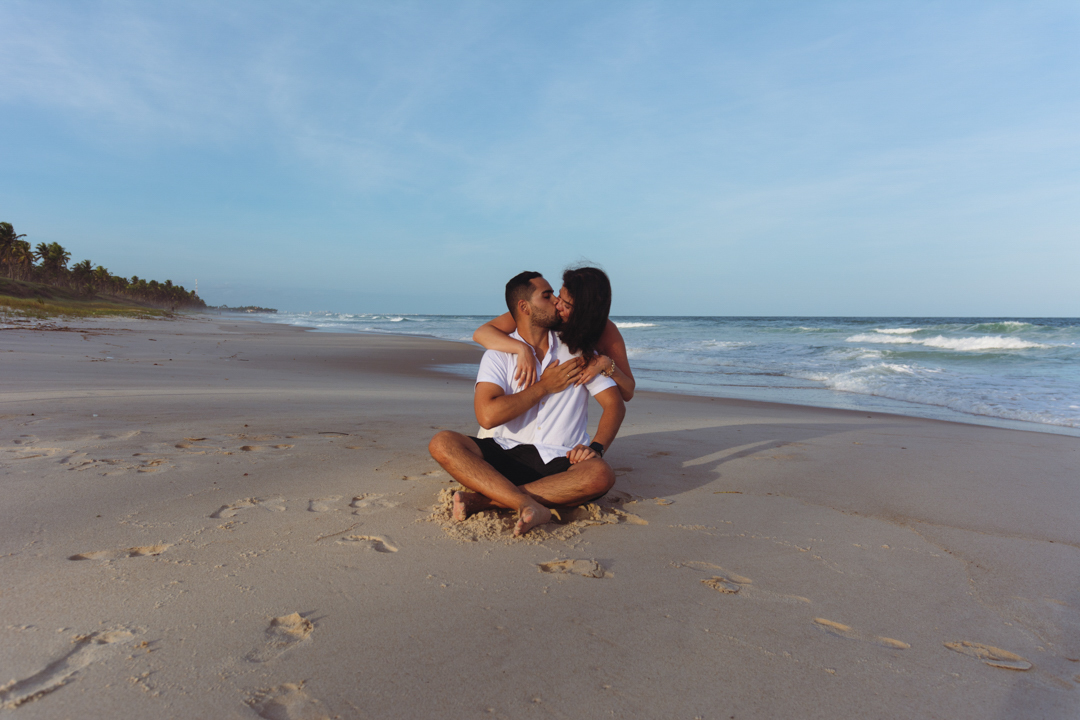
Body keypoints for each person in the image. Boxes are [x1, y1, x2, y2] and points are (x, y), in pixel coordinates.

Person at [428, 271, 626, 536]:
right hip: (503, 451)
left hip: (560, 458)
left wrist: (596, 448)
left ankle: (488, 499)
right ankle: (524, 502)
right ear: (525, 307)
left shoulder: (577, 351)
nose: (556, 300)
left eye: (556, 294)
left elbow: (616, 403)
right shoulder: (498, 355)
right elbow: (486, 416)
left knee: (601, 474)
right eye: (547, 295)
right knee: (442, 443)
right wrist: (544, 386)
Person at [473, 266, 636, 402]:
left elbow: (628, 392)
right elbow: (482, 333)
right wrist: (523, 349)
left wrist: (606, 364)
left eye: (566, 305)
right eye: (559, 295)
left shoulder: (605, 330)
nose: (557, 304)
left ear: (584, 312)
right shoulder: (545, 315)